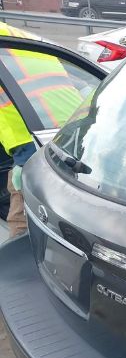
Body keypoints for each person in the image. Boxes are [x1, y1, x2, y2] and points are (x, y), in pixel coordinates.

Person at [0, 22, 83, 238]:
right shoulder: (16, 35)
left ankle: (20, 264)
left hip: (34, 134)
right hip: (73, 127)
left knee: (22, 218)